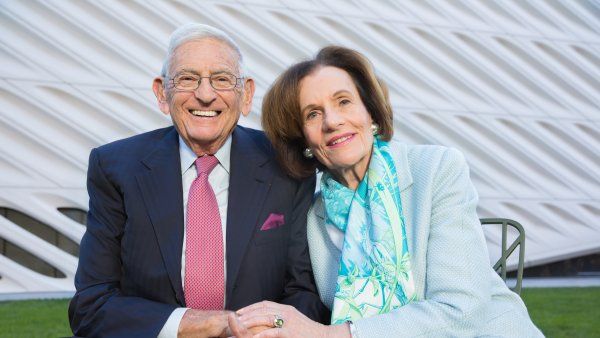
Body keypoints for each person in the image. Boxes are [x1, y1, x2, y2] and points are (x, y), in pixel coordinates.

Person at [232, 46, 543, 337]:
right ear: (303, 141)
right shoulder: (313, 219)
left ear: (371, 112)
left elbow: (460, 312)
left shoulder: (436, 169)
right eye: (312, 114)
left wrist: (330, 335)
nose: (333, 121)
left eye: (344, 101)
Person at [68, 23, 328, 337]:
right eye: (188, 78)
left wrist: (265, 329)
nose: (205, 95)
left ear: (245, 94)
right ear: (162, 93)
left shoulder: (289, 167)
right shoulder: (115, 168)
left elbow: (305, 292)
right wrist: (199, 324)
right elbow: (92, 306)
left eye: (221, 79)